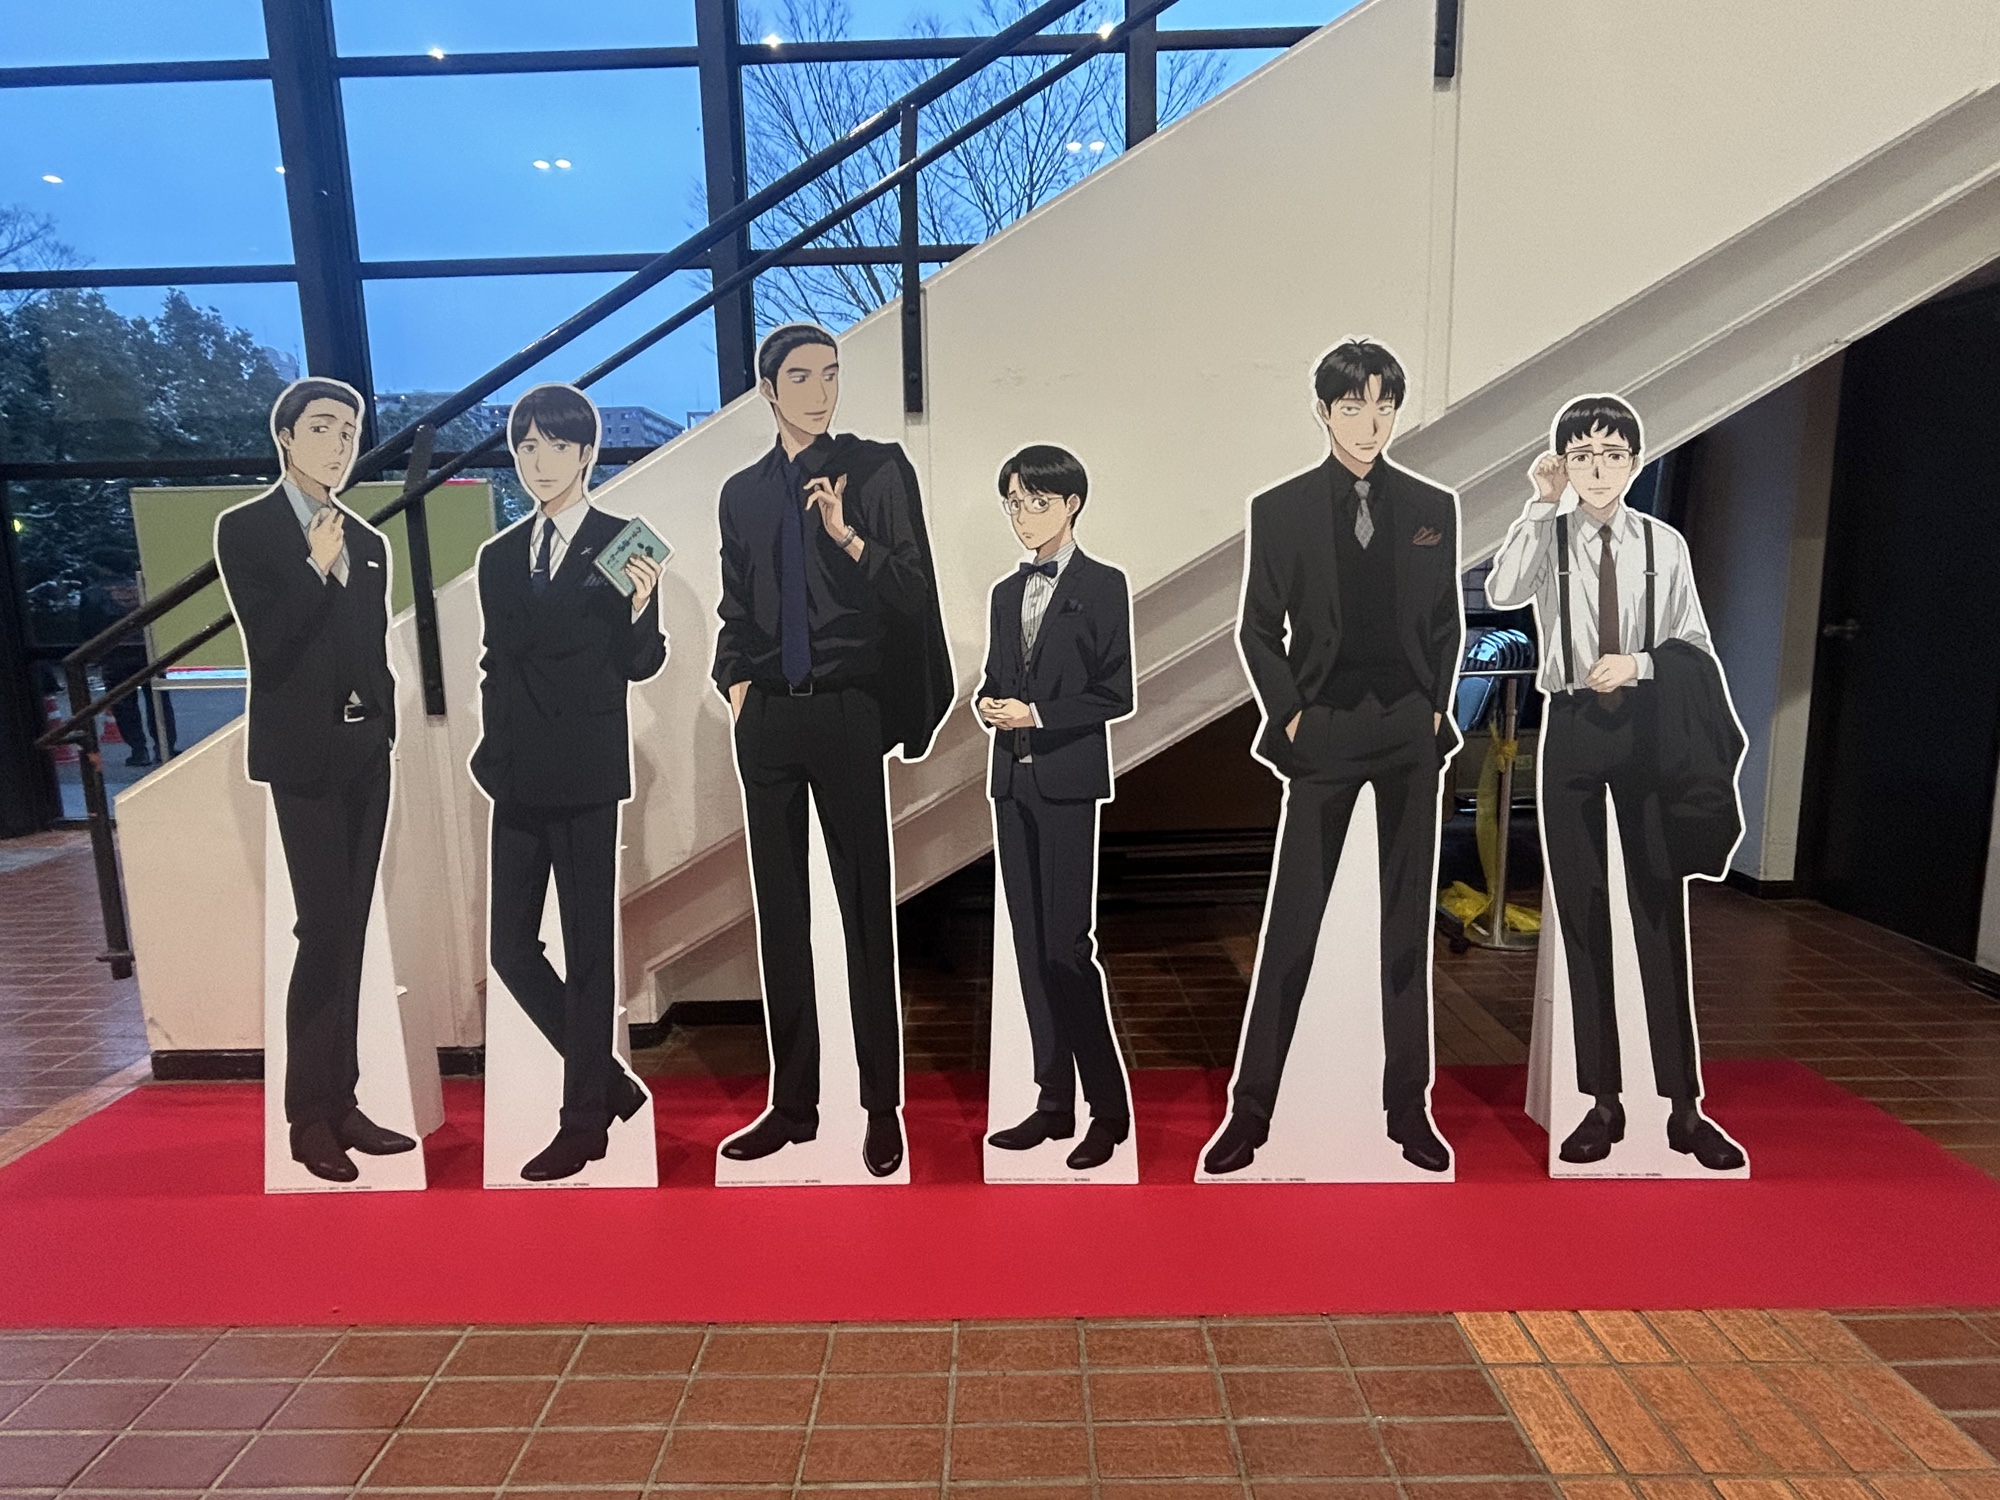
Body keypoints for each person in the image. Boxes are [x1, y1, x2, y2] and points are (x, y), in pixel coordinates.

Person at [1205, 340, 1462, 1177]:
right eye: (1353, 407)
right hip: (1322, 730)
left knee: (1406, 927)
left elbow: (1446, 623)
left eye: (1384, 406)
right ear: (1323, 412)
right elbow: (1257, 627)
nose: (1370, 423)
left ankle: (1409, 1109)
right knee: (1293, 923)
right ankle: (1251, 1112)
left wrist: (1435, 709)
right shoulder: (1280, 509)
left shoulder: (1431, 506)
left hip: (1408, 730)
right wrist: (1290, 718)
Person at [711, 323, 953, 1178]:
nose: (819, 392)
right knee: (781, 919)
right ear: (767, 390)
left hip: (849, 711)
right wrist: (736, 688)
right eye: (801, 377)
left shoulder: (877, 469)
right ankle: (794, 1106)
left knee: (863, 912)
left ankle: (882, 1108)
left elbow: (913, 590)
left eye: (831, 375)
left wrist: (848, 535)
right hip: (768, 719)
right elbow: (735, 606)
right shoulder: (742, 494)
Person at [1485, 394, 1744, 1170]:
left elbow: (1693, 642)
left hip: (1647, 729)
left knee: (1658, 907)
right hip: (1569, 727)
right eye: (1582, 455)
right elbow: (1503, 592)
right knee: (1583, 912)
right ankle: (1602, 1102)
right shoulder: (1549, 532)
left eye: (1611, 454)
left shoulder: (1663, 544)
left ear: (1634, 462)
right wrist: (1540, 503)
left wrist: (1640, 663)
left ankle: (1685, 1107)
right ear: (1564, 462)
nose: (1597, 469)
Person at [214, 378, 414, 1183]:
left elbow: (367, 643)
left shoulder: (367, 539)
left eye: (349, 430)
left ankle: (345, 1101)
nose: (339, 443)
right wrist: (312, 567)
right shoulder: (248, 529)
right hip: (303, 757)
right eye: (323, 427)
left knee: (352, 932)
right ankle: (307, 1117)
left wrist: (385, 720)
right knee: (321, 930)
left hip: (367, 753)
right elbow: (270, 644)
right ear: (287, 437)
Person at [470, 383, 667, 1182]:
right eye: (526, 446)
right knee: (510, 949)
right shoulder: (498, 555)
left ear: (587, 453)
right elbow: (495, 660)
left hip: (586, 772)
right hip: (516, 771)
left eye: (556, 445)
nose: (539, 461)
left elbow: (641, 664)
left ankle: (583, 1123)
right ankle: (609, 1083)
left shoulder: (625, 543)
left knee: (589, 953)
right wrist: (492, 748)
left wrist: (642, 608)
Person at [976, 445, 1134, 1171]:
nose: (1023, 516)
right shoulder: (1004, 594)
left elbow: (1115, 693)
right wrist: (990, 704)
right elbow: (995, 677)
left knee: (1067, 950)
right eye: (1014, 502)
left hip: (1067, 784)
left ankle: (1108, 1109)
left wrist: (1036, 715)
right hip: (1011, 787)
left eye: (1036, 502)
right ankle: (1052, 1103)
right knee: (1030, 950)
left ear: (1071, 504)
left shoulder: (1103, 585)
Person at [77, 556, 176, 767]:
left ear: (104, 568)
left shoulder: (92, 594)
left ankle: (139, 751)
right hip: (148, 652)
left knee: (123, 704)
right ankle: (165, 747)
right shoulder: (142, 589)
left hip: (114, 655)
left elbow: (87, 628)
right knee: (159, 701)